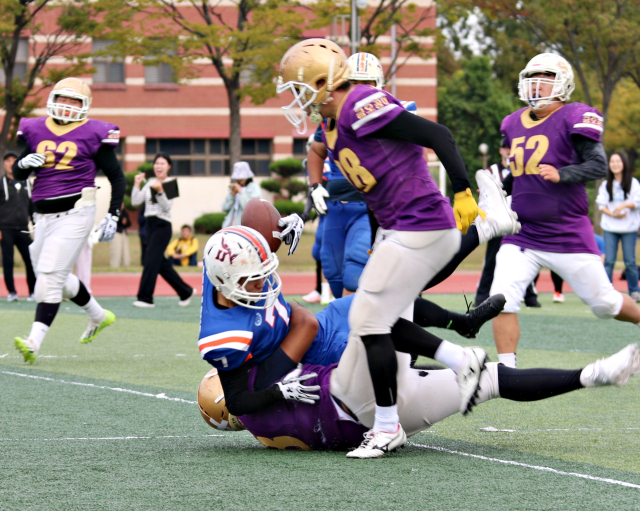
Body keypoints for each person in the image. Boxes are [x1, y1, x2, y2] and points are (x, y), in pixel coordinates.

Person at [276, 39, 519, 457]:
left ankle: (394, 421)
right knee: (375, 318)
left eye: (300, 89)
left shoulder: (359, 104)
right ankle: (460, 361)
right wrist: (316, 189)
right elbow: (355, 172)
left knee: (371, 319)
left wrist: (461, 190)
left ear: (324, 81)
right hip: (397, 226)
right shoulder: (332, 124)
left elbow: (437, 134)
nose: (297, 100)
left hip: (419, 220)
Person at [196, 229, 640, 450]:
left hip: (380, 416)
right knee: (383, 300)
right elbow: (245, 397)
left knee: (493, 381)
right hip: (350, 399)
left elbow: (252, 393)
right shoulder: (253, 404)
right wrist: (273, 388)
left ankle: (596, 373)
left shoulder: (264, 422)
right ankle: (474, 253)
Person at [198, 227, 505, 428]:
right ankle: (456, 367)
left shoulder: (217, 267)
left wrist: (277, 226)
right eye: (254, 279)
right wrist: (277, 391)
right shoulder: (223, 341)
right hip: (319, 347)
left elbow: (235, 244)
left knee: (391, 293)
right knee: (387, 317)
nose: (263, 283)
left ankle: (463, 326)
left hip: (322, 320)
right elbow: (242, 398)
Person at [490, 53, 640, 369]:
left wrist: (563, 173)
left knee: (605, 304)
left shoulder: (576, 115)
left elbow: (598, 164)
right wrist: (497, 190)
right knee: (501, 299)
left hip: (567, 232)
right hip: (523, 232)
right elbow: (519, 172)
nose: (536, 86)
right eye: (531, 79)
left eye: (544, 79)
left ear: (562, 85)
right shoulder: (513, 121)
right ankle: (505, 374)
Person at [11, 77, 125, 363]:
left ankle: (33, 343)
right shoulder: (36, 129)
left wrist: (113, 214)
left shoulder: (95, 132)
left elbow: (117, 177)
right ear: (52, 99)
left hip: (76, 212)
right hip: (42, 216)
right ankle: (99, 316)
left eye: (74, 101)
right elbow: (19, 172)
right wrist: (22, 164)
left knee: (48, 279)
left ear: (84, 106)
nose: (66, 105)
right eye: (62, 98)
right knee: (55, 277)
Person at [475, 139, 539, 307]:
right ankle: (481, 296)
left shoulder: (524, 168)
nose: (508, 151)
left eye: (512, 148)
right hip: (498, 220)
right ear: (500, 150)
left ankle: (530, 296)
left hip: (519, 218)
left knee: (526, 257)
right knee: (491, 258)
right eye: (506, 148)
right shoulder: (491, 170)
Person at [131, 153, 195, 308]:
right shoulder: (150, 182)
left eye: (162, 163)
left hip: (163, 225)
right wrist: (137, 184)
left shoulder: (171, 183)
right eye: (156, 163)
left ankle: (145, 298)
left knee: (150, 260)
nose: (158, 166)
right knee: (159, 263)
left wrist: (160, 192)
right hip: (149, 225)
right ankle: (185, 291)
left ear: (169, 166)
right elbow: (135, 202)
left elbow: (167, 207)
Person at [596, 151, 640, 301]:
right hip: (610, 228)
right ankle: (608, 291)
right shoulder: (605, 184)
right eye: (612, 162)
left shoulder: (633, 183)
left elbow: (637, 202)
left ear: (624, 163)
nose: (615, 164)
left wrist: (624, 206)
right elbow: (601, 205)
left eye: (618, 161)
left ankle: (634, 291)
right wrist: (613, 214)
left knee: (630, 261)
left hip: (629, 229)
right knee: (608, 261)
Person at [0, 150, 36, 301]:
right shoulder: (1, 183)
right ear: (4, 164)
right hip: (5, 228)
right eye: (7, 161)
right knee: (8, 261)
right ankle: (12, 292)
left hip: (23, 228)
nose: (10, 163)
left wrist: (36, 225)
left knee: (31, 259)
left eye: (14, 160)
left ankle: (33, 292)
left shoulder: (27, 182)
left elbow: (32, 205)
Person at [221, 162, 262, 228]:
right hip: (231, 223)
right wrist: (232, 195)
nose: (240, 179)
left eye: (242, 177)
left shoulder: (254, 188)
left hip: (247, 225)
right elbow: (225, 208)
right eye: (238, 177)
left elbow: (251, 208)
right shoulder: (235, 187)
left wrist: (241, 192)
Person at [109, 203, 131, 267]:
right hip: (116, 232)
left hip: (123, 233)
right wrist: (121, 220)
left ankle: (125, 264)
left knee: (125, 250)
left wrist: (126, 222)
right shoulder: (114, 212)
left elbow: (129, 223)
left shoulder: (125, 213)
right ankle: (115, 265)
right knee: (116, 250)